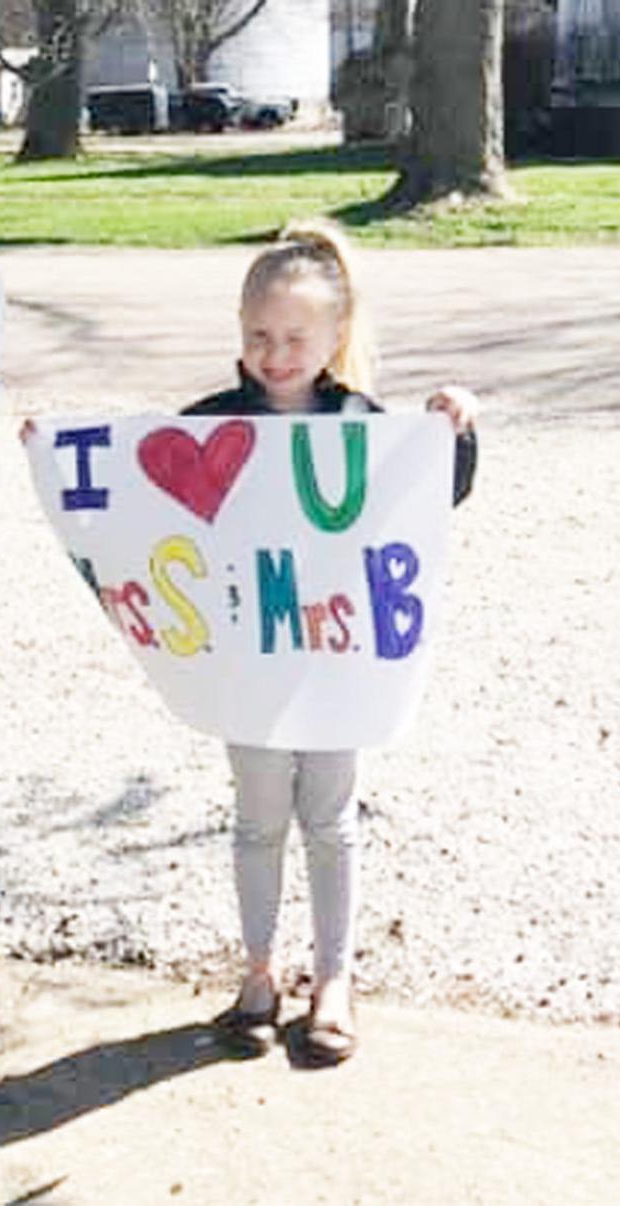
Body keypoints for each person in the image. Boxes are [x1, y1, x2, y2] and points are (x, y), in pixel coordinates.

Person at [179, 222, 478, 1065]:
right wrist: (59, 456)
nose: (274, 355)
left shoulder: (363, 423)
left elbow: (432, 494)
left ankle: (335, 979)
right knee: (257, 820)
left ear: (334, 338)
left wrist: (455, 425)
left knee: (330, 821)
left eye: (295, 339)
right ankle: (259, 973)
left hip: (338, 660)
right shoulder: (208, 426)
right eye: (258, 337)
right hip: (248, 660)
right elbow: (137, 494)